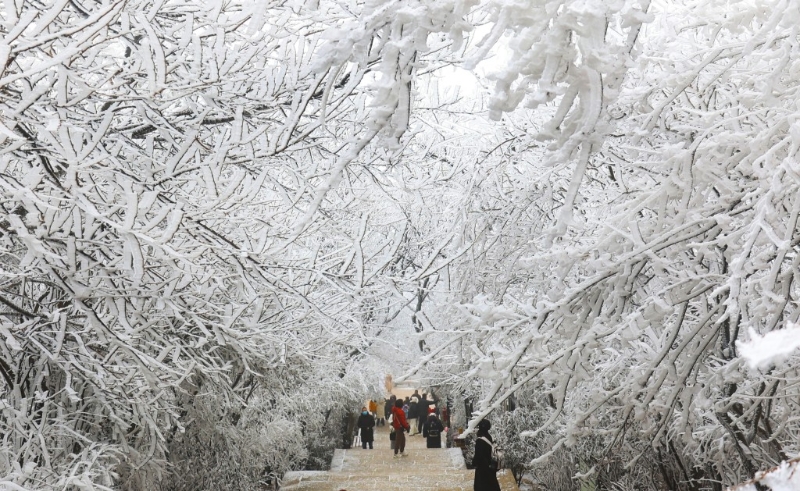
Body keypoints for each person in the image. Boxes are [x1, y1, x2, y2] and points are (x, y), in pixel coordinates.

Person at [472, 419, 500, 491]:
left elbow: (478, 456)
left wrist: (474, 462)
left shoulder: (480, 440)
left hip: (483, 469)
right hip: (490, 466)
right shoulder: (489, 436)